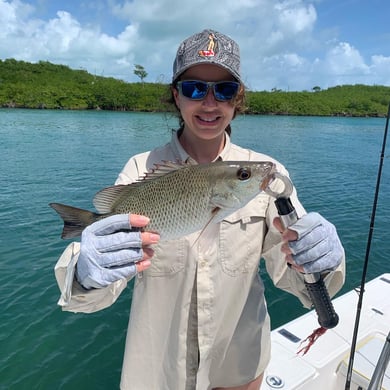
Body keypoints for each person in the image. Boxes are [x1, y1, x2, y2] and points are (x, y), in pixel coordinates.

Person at [54, 29, 345, 390]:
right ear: (176, 96)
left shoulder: (267, 174)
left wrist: (321, 262)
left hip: (238, 365)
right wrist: (85, 274)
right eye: (194, 88)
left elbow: (296, 280)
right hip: (159, 373)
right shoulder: (139, 170)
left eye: (223, 90)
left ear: (237, 99)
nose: (210, 103)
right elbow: (99, 295)